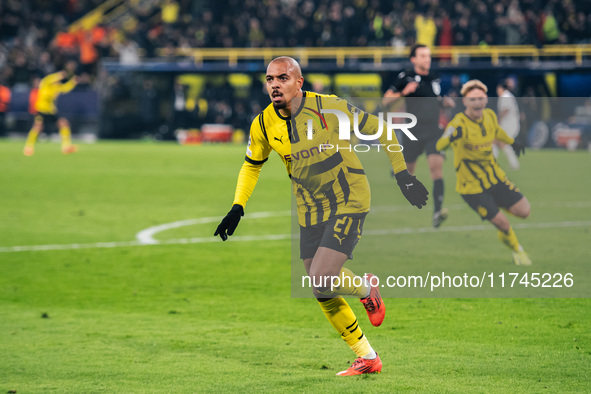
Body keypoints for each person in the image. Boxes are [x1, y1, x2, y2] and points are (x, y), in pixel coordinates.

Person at [214, 57, 429, 376]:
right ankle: (368, 356)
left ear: (299, 83)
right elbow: (252, 165)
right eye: (270, 79)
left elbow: (380, 128)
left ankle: (368, 291)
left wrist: (402, 176)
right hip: (310, 206)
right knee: (320, 287)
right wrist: (237, 207)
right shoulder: (262, 124)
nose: (275, 84)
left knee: (320, 276)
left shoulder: (330, 107)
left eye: (283, 78)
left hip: (349, 195)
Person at [436, 80, 531, 266]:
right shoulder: (458, 124)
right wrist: (450, 138)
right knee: (503, 224)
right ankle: (518, 251)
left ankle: (496, 208)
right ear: (465, 102)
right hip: (472, 188)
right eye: (473, 99)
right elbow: (440, 144)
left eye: (480, 98)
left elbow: (496, 131)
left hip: (495, 178)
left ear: (486, 99)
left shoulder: (489, 116)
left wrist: (512, 142)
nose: (477, 103)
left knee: (524, 211)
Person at [383, 43, 454, 228]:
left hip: (433, 132)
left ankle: (437, 212)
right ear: (413, 59)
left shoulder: (434, 78)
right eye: (423, 56)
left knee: (436, 169)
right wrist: (403, 92)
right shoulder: (405, 77)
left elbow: (435, 100)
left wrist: (444, 103)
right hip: (413, 131)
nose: (427, 59)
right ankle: (398, 170)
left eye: (429, 56)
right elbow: (386, 101)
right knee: (408, 174)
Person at [23, 61, 79, 156]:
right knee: (38, 127)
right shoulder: (45, 84)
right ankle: (28, 147)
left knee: (63, 123)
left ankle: (66, 147)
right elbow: (49, 79)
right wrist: (59, 75)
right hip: (41, 110)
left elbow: (65, 88)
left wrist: (73, 82)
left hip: (51, 111)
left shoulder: (55, 87)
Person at [495, 80, 521, 170]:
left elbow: (506, 110)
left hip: (509, 124)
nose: (497, 91)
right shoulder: (508, 95)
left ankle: (514, 164)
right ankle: (492, 162)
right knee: (497, 141)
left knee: (502, 142)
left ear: (501, 88)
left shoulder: (505, 96)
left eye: (498, 89)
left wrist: (498, 120)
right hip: (510, 124)